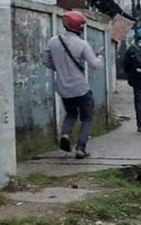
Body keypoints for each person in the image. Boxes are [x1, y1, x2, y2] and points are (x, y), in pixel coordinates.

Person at [43, 11, 104, 159]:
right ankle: (81, 148)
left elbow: (45, 60)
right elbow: (95, 65)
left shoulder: (53, 41)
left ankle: (65, 134)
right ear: (80, 27)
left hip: (63, 88)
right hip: (80, 88)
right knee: (87, 118)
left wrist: (60, 67)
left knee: (71, 113)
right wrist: (100, 56)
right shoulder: (82, 44)